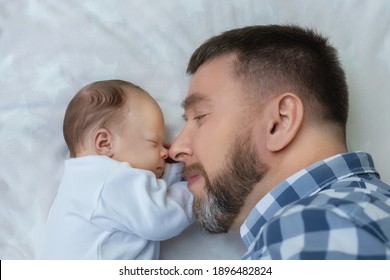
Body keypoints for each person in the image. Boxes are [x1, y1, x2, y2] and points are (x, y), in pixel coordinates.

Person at [168, 25, 390, 259]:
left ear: (280, 122)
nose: (176, 148)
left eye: (200, 117)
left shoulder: (309, 231)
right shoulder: (363, 211)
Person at [42, 80, 193, 259]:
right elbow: (162, 215)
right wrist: (195, 190)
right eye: (154, 142)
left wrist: (172, 170)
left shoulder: (79, 184)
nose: (165, 151)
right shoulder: (107, 179)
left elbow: (148, 198)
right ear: (104, 143)